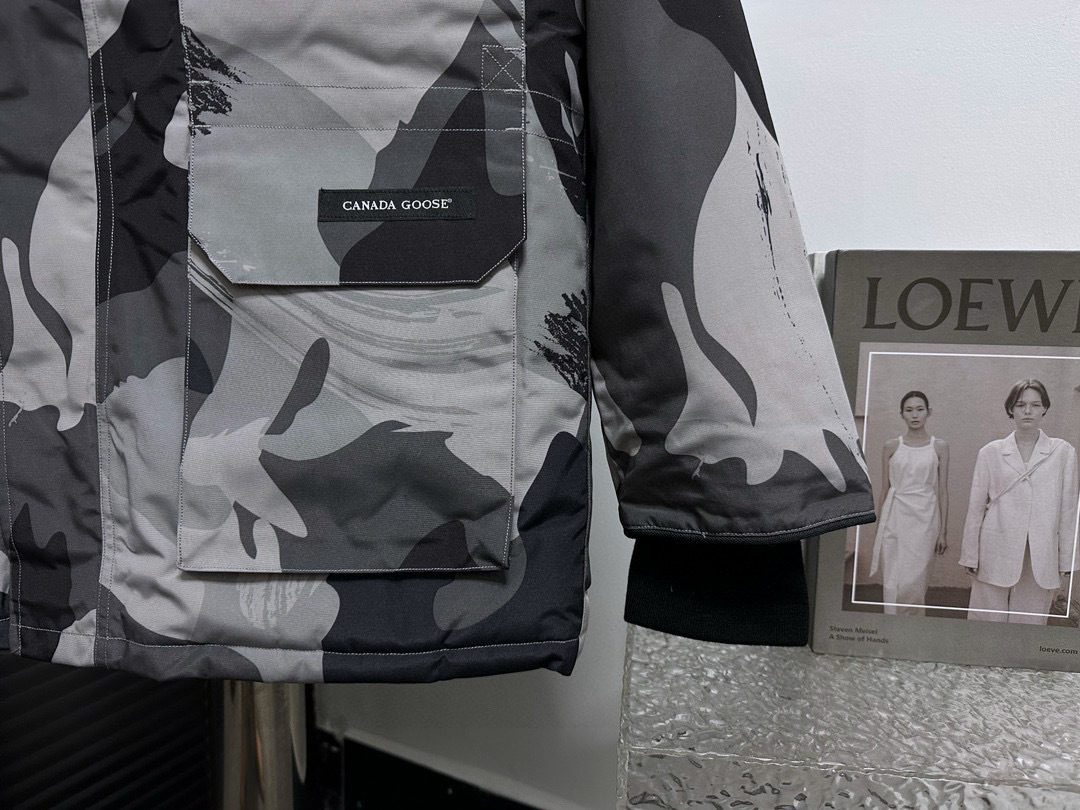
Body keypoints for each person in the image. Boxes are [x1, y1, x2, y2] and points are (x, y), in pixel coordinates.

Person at [960, 379, 1080, 624]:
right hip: (995, 545)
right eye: (1020, 405)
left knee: (1030, 623)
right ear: (1010, 409)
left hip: (1041, 552)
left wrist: (1067, 561)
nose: (1028, 411)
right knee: (987, 620)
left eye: (1035, 405)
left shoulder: (1063, 452)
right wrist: (970, 554)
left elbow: (1068, 511)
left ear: (1044, 408)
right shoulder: (990, 452)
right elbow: (976, 508)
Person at [870, 391, 950, 615]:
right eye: (909, 410)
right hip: (895, 516)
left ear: (928, 412)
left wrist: (943, 532)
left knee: (915, 580)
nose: (915, 415)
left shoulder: (939, 446)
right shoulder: (891, 446)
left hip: (925, 518)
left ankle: (911, 625)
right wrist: (879, 526)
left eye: (920, 409)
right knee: (893, 577)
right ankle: (891, 624)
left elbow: (942, 491)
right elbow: (884, 489)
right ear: (902, 414)